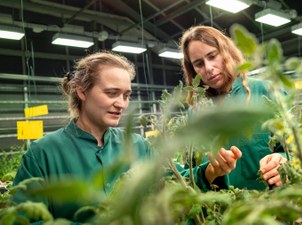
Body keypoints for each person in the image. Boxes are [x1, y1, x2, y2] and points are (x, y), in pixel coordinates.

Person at [11, 51, 240, 223]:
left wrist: (211, 172)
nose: (121, 104)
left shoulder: (137, 145)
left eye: (126, 95)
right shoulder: (42, 153)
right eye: (111, 93)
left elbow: (173, 184)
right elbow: (24, 219)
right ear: (82, 91)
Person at [179, 25, 288, 190]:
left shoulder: (267, 93)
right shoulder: (195, 115)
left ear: (227, 52)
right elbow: (190, 176)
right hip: (218, 212)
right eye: (199, 63)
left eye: (212, 56)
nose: (208, 68)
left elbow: (297, 149)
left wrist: (283, 161)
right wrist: (210, 172)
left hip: (270, 208)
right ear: (192, 70)